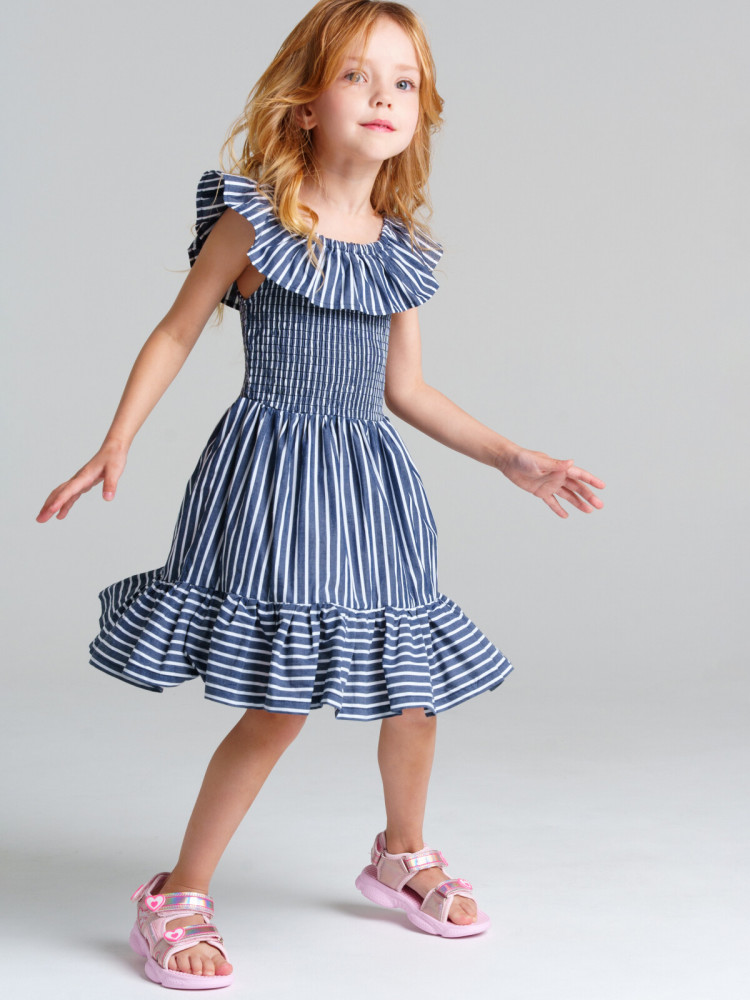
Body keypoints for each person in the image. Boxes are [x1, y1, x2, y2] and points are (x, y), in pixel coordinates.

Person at [37, 0, 604, 990]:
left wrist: (511, 456)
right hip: (274, 482)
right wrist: (116, 438)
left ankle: (401, 856)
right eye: (356, 75)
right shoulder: (255, 219)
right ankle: (176, 895)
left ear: (421, 112)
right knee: (279, 701)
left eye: (403, 82)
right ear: (305, 103)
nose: (384, 96)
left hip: (368, 486)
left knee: (413, 690)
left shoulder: (399, 249)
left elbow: (405, 390)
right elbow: (177, 330)